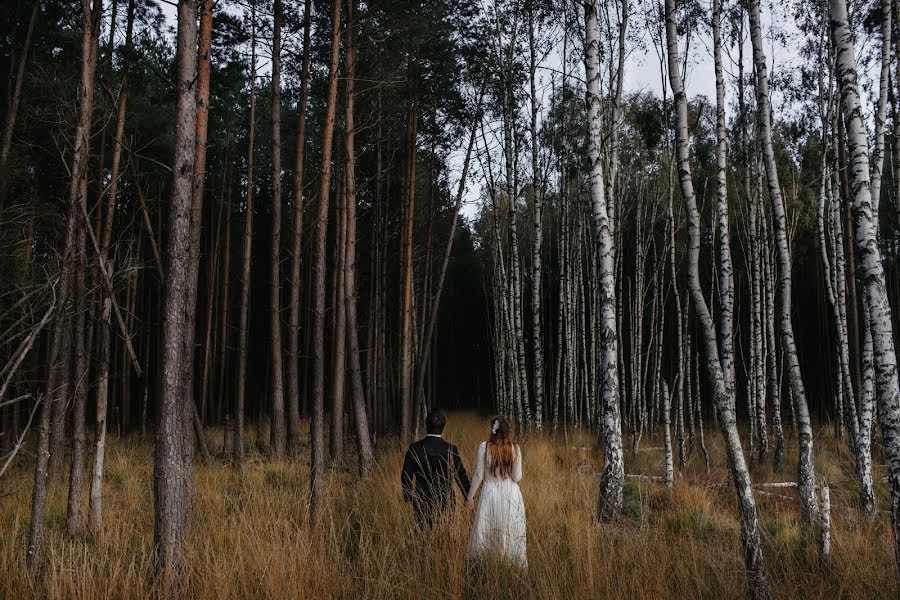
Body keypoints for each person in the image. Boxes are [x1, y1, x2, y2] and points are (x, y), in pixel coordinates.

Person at [464, 415, 527, 568]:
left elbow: (478, 474)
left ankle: (484, 563)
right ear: (507, 430)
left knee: (486, 528)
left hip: (489, 493)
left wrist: (470, 498)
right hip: (510, 494)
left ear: (493, 429)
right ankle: (509, 563)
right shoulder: (515, 448)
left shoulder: (484, 446)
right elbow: (517, 477)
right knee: (508, 528)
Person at [401, 411, 470, 529]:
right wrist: (468, 496)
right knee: (444, 530)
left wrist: (409, 496)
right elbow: (460, 475)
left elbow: (406, 475)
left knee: (422, 531)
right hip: (445, 497)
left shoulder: (415, 448)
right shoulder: (450, 449)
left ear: (426, 426)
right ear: (443, 428)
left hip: (421, 497)